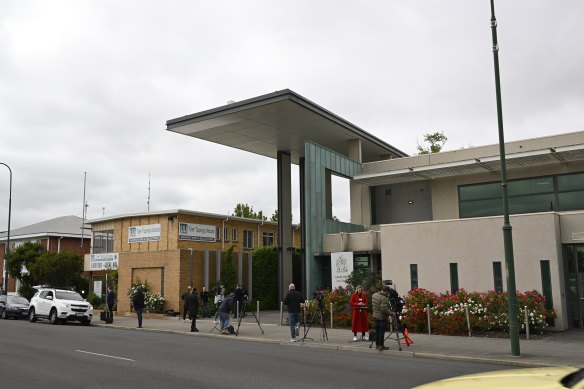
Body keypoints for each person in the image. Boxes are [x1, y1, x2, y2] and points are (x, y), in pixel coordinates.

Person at [372, 285, 394, 350]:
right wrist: (392, 313)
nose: (388, 294)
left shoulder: (374, 295)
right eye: (388, 292)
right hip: (382, 317)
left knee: (377, 331)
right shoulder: (384, 298)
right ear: (386, 291)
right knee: (381, 332)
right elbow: (384, 309)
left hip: (375, 316)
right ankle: (381, 346)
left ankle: (377, 345)